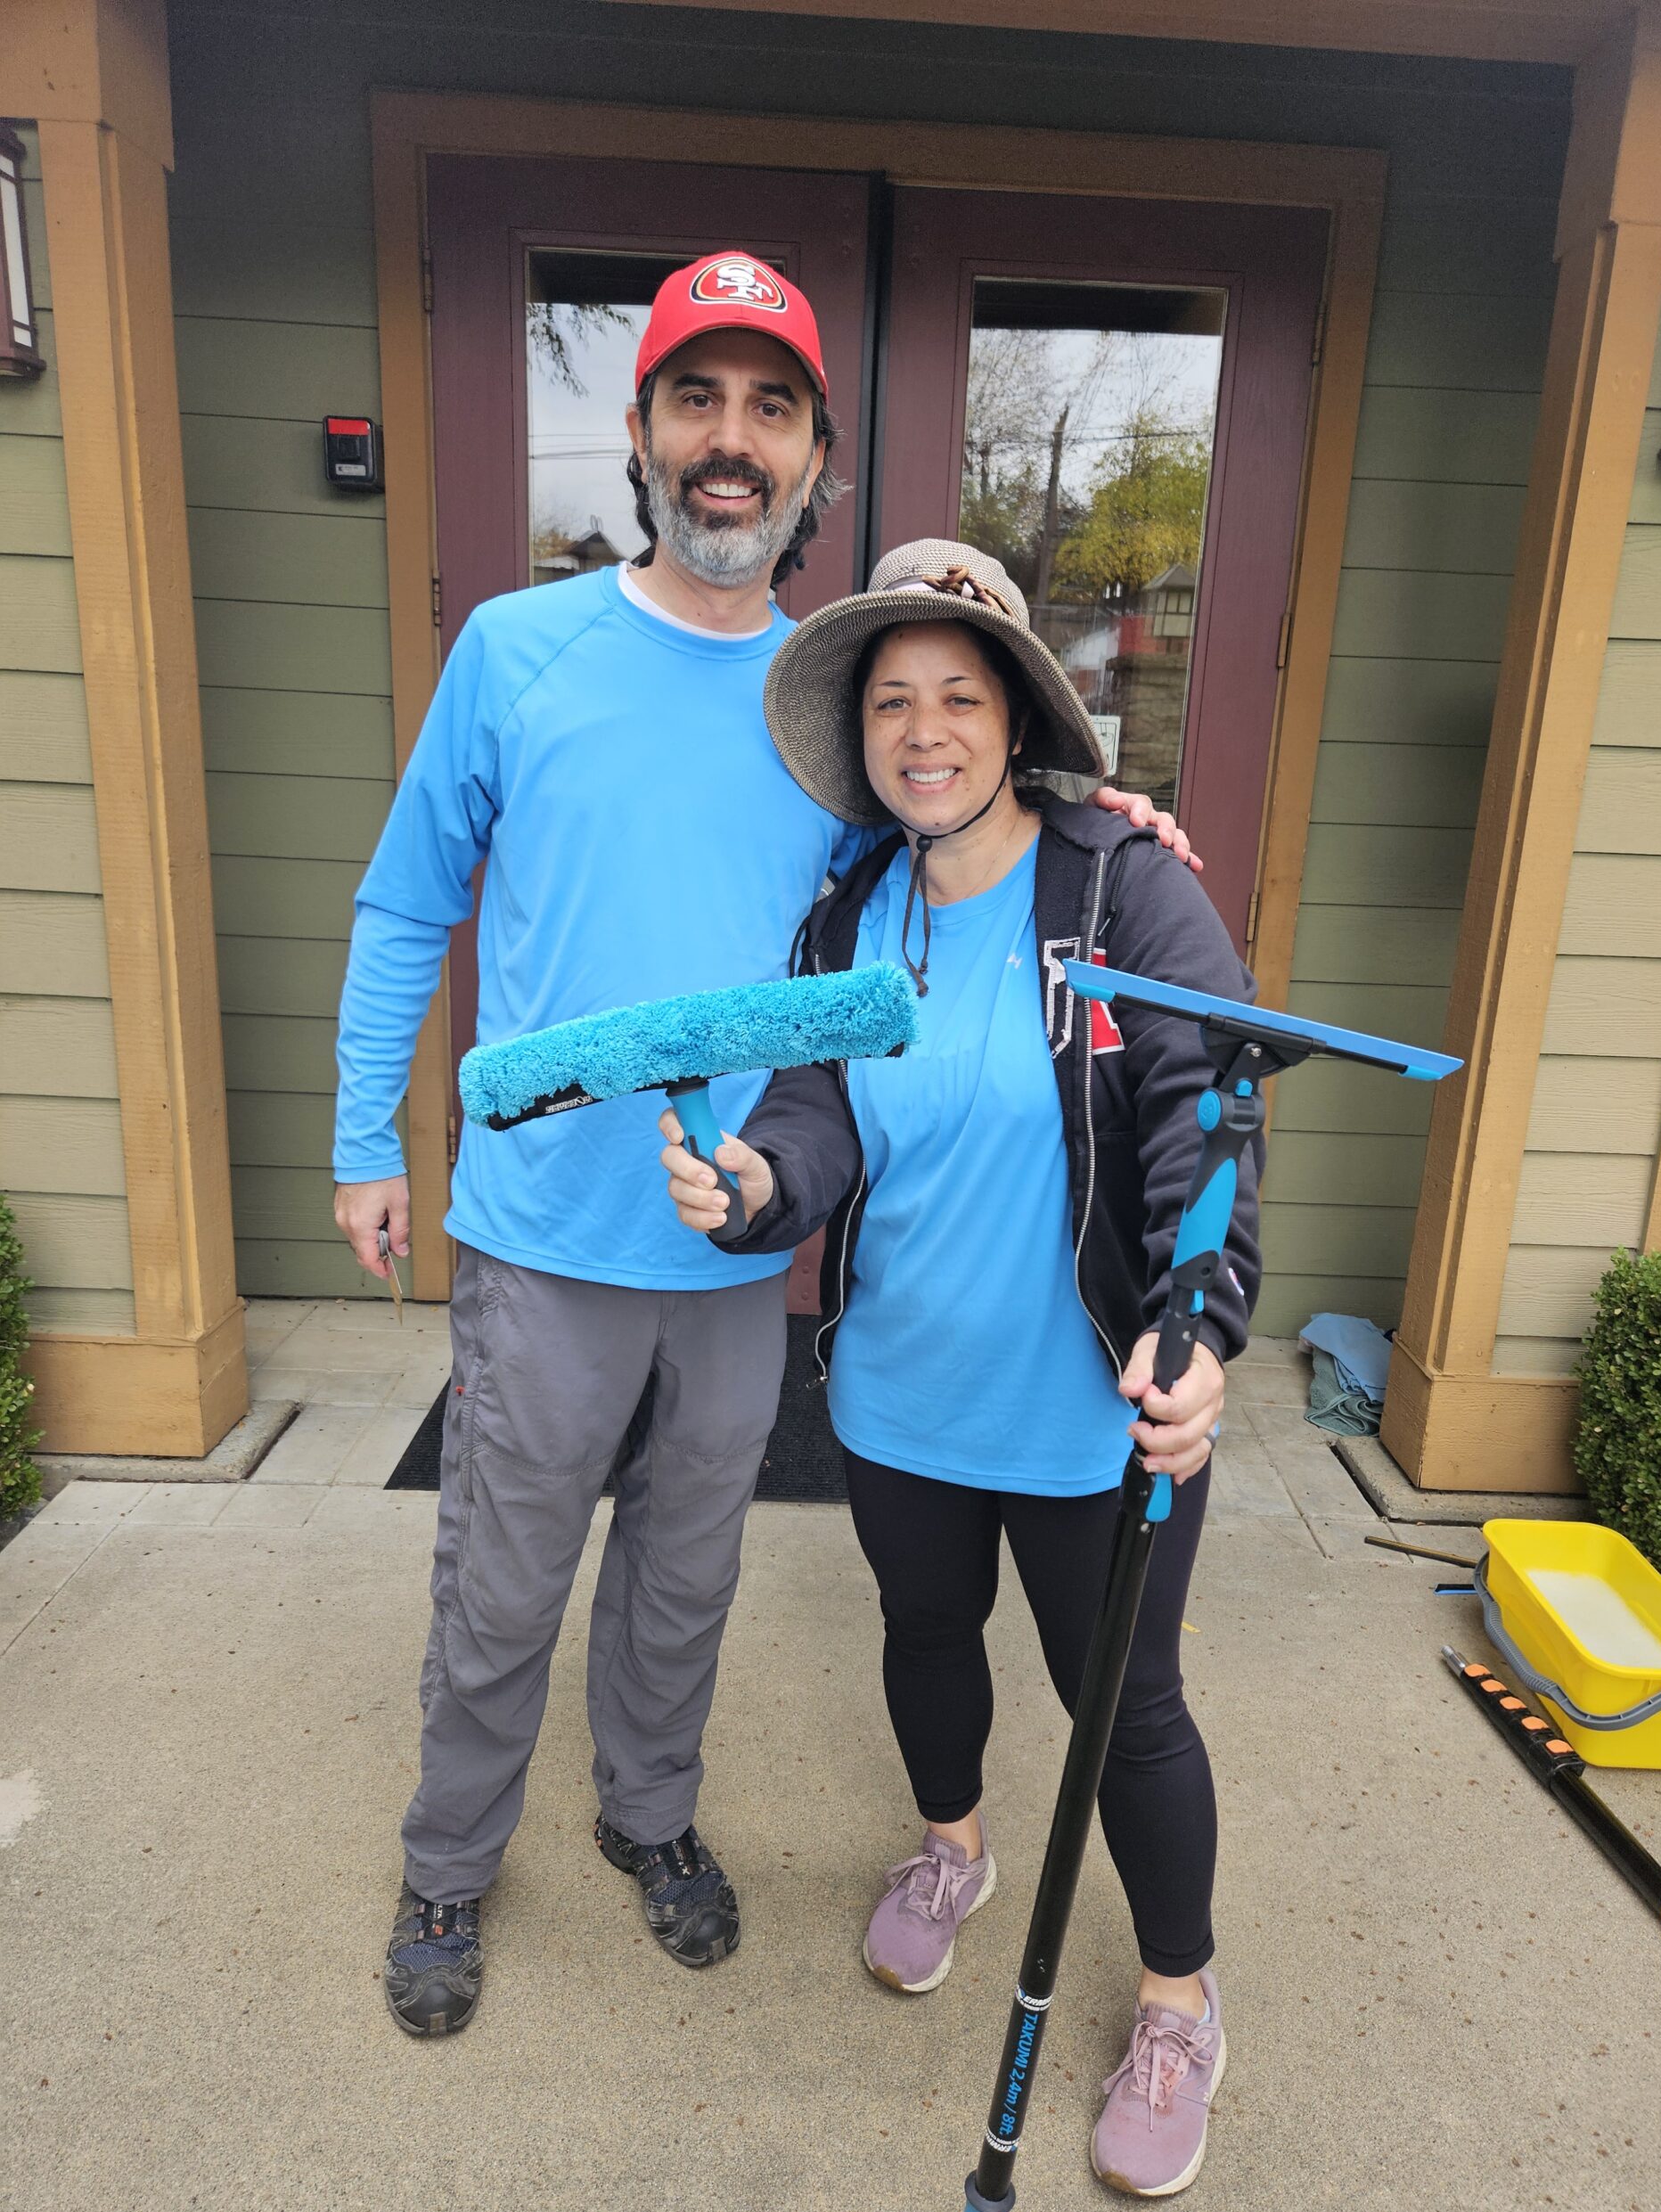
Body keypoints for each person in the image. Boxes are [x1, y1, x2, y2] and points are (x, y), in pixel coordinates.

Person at [331, 257, 1188, 2037]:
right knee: (501, 1578)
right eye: (698, 402)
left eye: (772, 409)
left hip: (739, 1253)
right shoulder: (517, 649)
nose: (733, 445)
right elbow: (409, 896)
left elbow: (987, 805)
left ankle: (650, 1817)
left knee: (687, 1572)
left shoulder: (852, 711)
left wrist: (1106, 805)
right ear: (642, 431)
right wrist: (365, 1138)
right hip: (545, 1234)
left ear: (814, 461)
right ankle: (447, 1856)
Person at [659, 539, 1258, 2200]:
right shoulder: (850, 915)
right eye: (894, 703)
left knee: (1125, 1714)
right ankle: (955, 1856)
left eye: (959, 697)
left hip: (1089, 1406)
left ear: (1017, 719)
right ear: (865, 735)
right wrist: (757, 1191)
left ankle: (1177, 1999)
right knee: (925, 1636)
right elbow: (810, 1116)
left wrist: (1195, 1325)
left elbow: (1203, 1121)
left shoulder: (1125, 890)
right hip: (902, 1399)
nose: (925, 730)